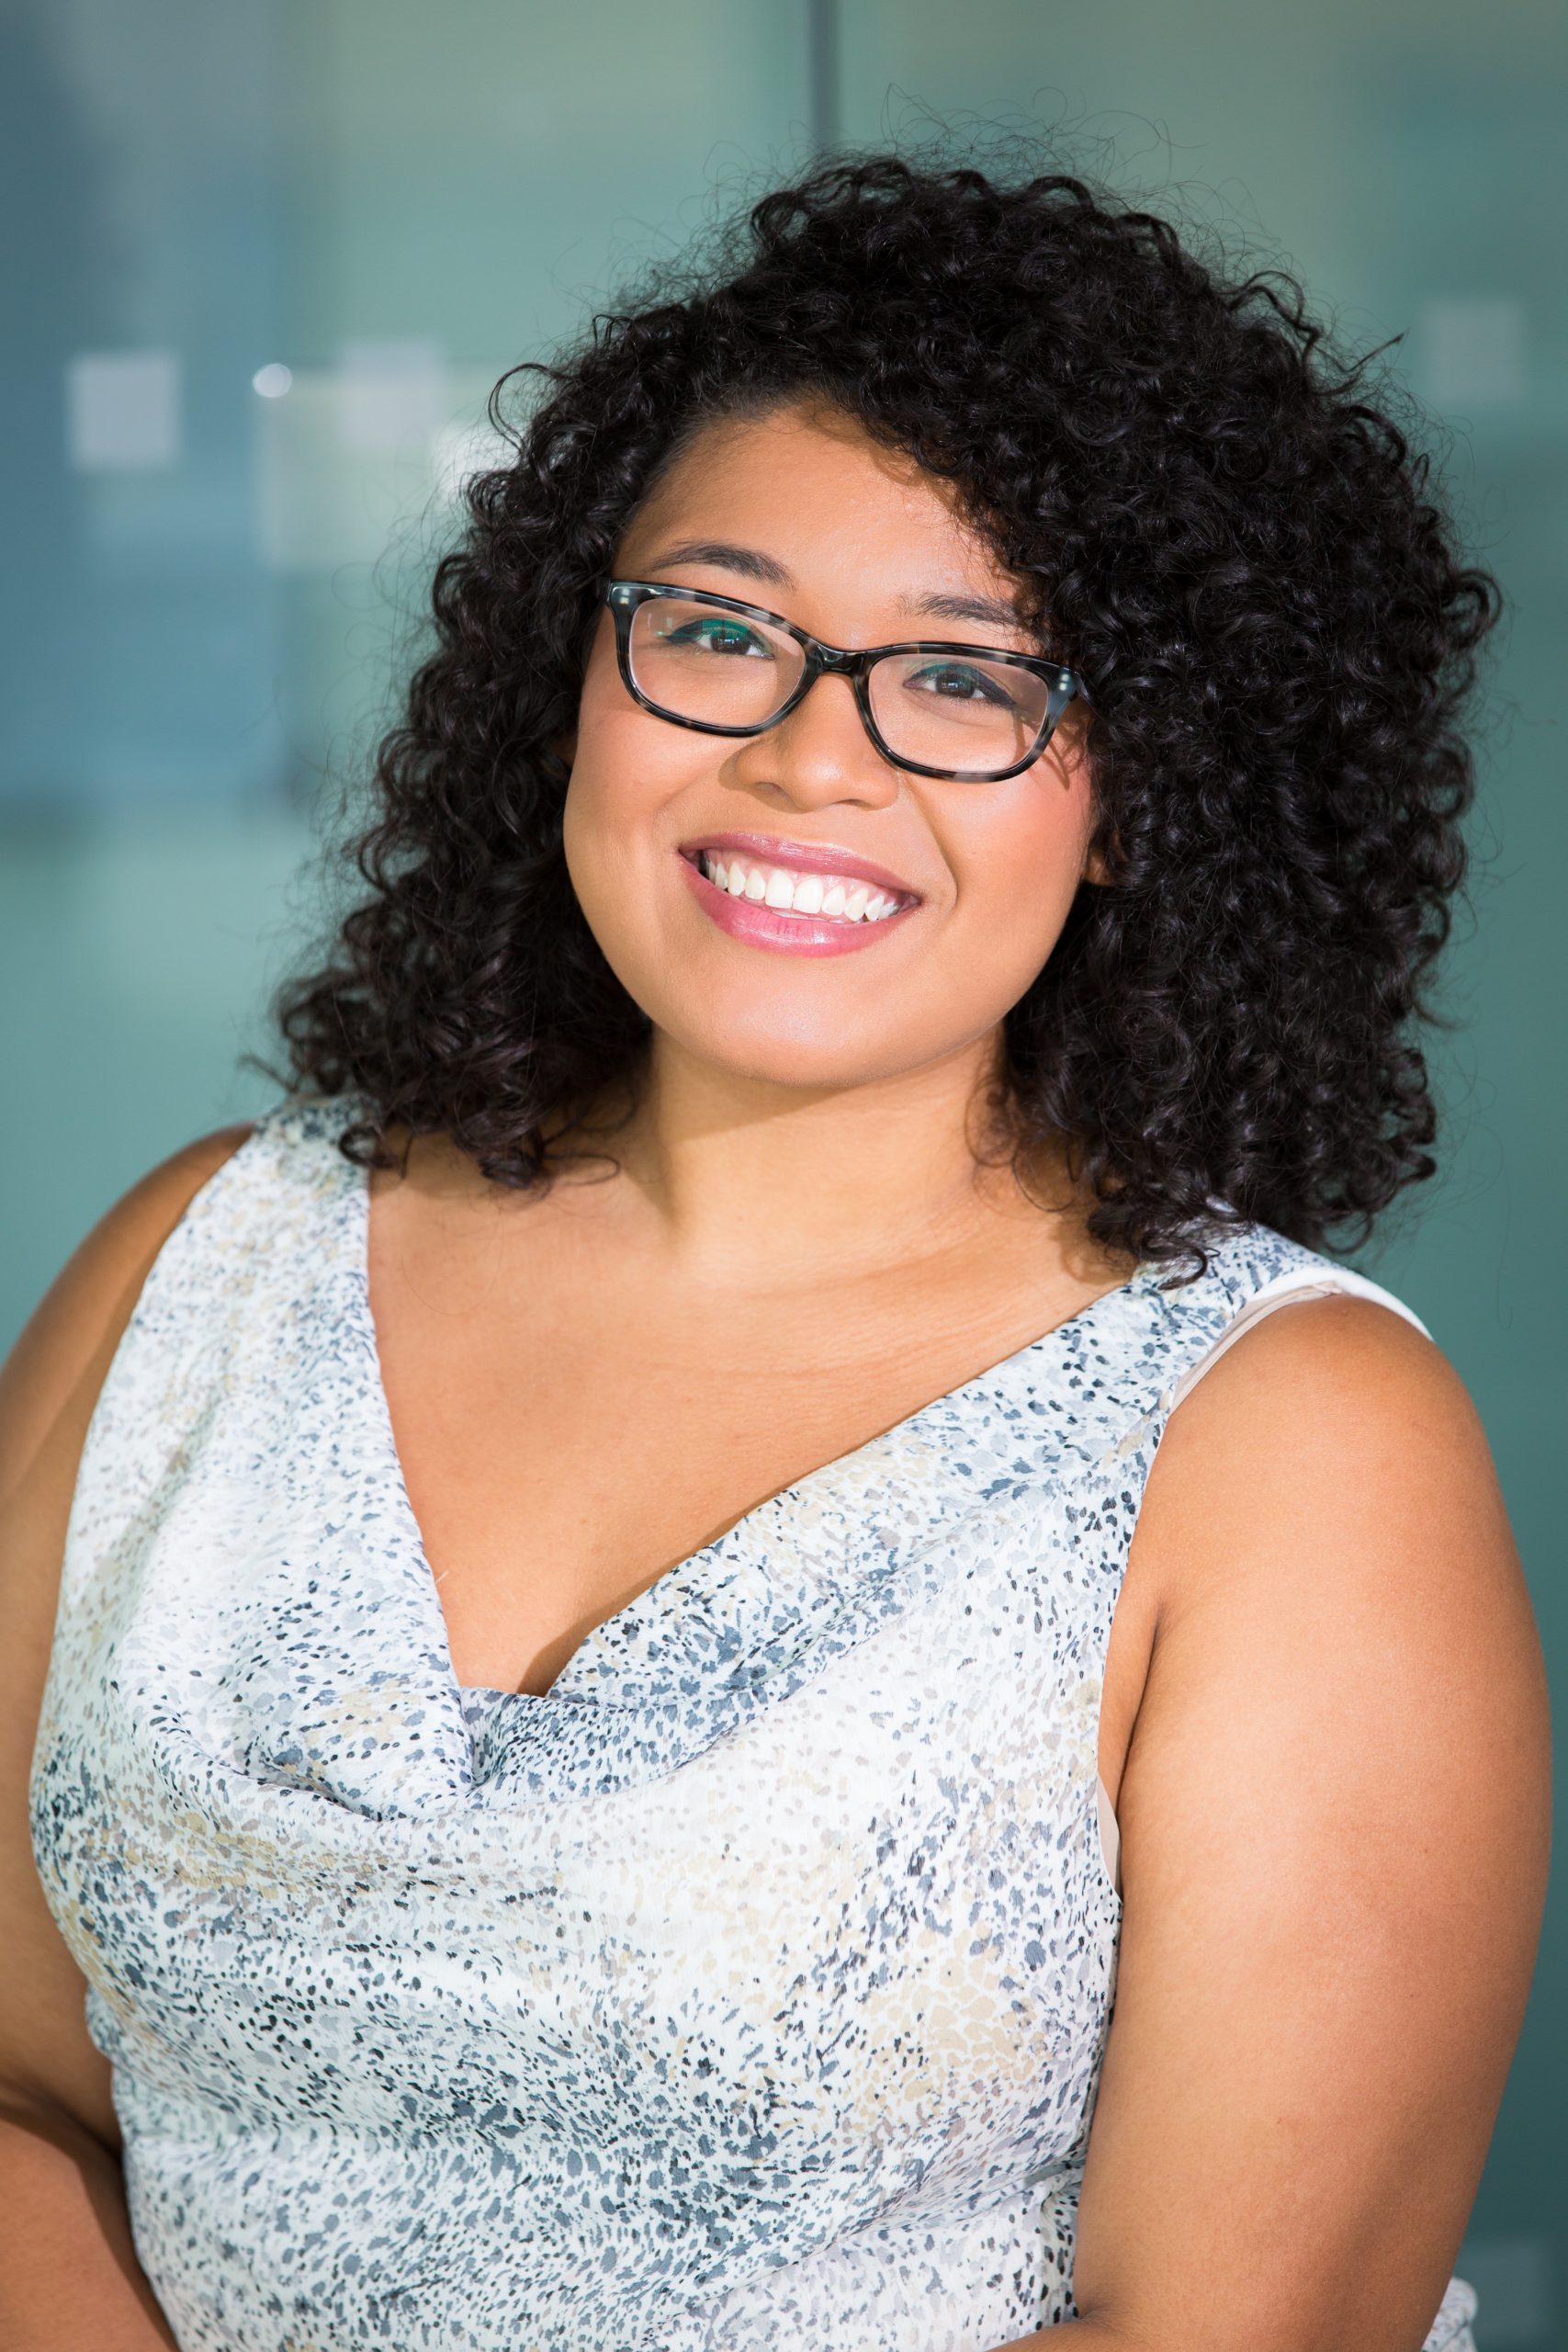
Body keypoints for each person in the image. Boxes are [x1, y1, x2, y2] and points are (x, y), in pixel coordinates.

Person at [0, 152, 1549, 2352]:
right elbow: (17, 2094)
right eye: (718, 629)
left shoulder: (1286, 1441)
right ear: (576, 675)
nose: (809, 754)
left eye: (964, 679)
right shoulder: (201, 1266)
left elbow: (1228, 2328)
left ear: (1137, 795)